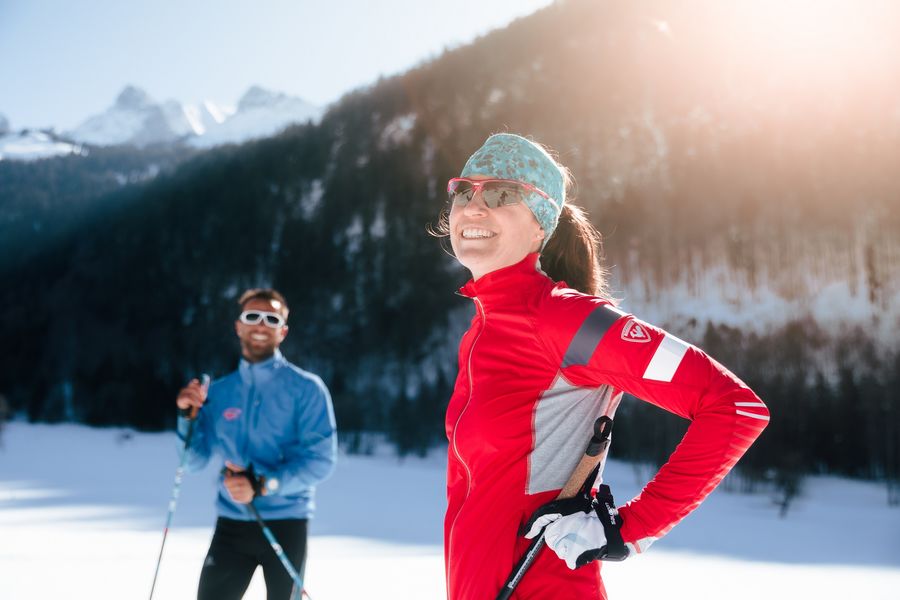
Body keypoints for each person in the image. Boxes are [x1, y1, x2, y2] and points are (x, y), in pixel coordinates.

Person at [437, 133, 770, 599]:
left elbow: (735, 407)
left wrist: (628, 529)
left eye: (501, 194)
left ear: (540, 225)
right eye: (463, 191)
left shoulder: (564, 317)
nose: (474, 207)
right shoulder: (483, 330)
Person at [175, 288, 337, 600]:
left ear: (283, 331)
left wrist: (264, 485)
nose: (261, 324)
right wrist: (187, 416)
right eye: (252, 316)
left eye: (271, 318)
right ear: (239, 326)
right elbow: (192, 462)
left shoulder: (306, 389)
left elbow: (321, 462)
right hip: (232, 524)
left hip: (287, 522)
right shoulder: (219, 393)